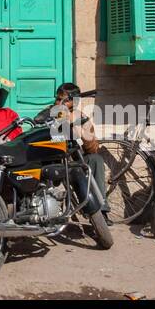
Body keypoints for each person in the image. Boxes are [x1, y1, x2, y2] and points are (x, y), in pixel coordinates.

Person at [49, 83, 109, 215]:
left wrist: (79, 128)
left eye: (65, 100)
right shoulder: (48, 114)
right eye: (58, 99)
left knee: (96, 160)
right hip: (55, 164)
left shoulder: (80, 117)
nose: (60, 103)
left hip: (76, 161)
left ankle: (101, 210)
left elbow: (92, 148)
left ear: (74, 102)